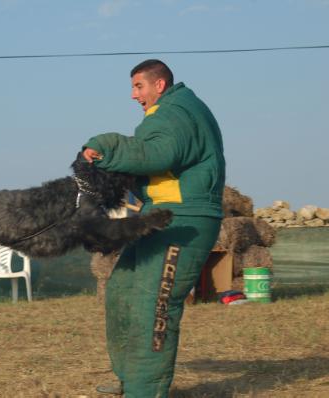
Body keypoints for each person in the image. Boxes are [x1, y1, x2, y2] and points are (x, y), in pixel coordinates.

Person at [82, 59, 225, 397]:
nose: (134, 95)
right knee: (121, 292)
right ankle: (129, 378)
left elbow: (157, 153)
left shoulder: (174, 113)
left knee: (153, 304)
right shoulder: (171, 112)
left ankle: (145, 391)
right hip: (159, 215)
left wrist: (103, 148)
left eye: (138, 87)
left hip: (184, 220)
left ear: (159, 85)